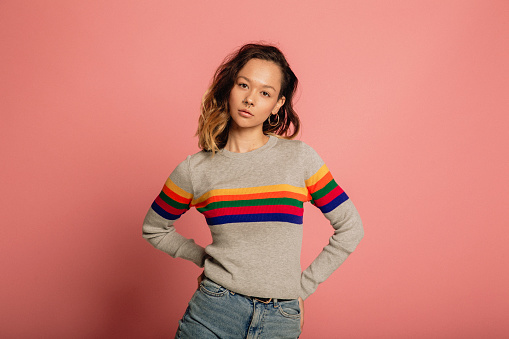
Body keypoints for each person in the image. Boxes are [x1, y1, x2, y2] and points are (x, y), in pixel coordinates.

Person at [142, 43, 364, 339]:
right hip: (213, 312)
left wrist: (302, 288)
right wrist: (205, 258)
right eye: (243, 85)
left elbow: (351, 227)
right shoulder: (196, 169)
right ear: (229, 89)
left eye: (264, 93)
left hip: (280, 320)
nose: (249, 99)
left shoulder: (300, 159)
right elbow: (154, 228)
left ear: (277, 105)